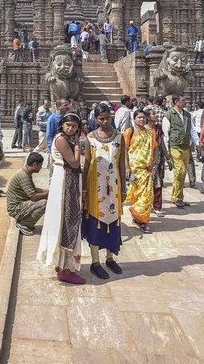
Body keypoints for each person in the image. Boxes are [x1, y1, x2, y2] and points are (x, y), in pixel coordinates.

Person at [37, 113, 85, 284]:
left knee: (66, 219)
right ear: (62, 125)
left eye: (74, 126)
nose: (71, 128)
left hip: (67, 181)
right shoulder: (62, 139)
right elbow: (74, 162)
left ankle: (63, 263)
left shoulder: (66, 138)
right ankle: (64, 269)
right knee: (66, 221)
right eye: (68, 125)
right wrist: (78, 144)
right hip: (64, 182)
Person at [82, 103, 126, 278]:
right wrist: (84, 188)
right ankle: (95, 262)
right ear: (95, 119)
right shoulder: (90, 138)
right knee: (95, 221)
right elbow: (86, 163)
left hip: (114, 187)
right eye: (101, 119)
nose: (105, 121)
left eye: (108, 118)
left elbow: (122, 163)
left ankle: (110, 257)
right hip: (95, 187)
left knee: (113, 220)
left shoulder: (119, 137)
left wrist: (123, 188)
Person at [124, 109, 159, 233]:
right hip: (134, 170)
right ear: (134, 119)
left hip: (146, 169)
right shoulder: (129, 132)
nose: (142, 119)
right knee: (137, 194)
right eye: (139, 117)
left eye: (143, 117)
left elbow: (155, 148)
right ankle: (137, 218)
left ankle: (142, 221)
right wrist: (127, 167)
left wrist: (153, 163)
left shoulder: (150, 133)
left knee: (146, 196)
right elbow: (125, 150)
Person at [162, 92, 199, 208]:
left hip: (185, 147)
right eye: (183, 100)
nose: (185, 102)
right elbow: (166, 134)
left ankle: (178, 197)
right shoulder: (168, 115)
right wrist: (167, 151)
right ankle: (177, 197)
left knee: (181, 174)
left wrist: (197, 144)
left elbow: (192, 130)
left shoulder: (188, 115)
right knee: (180, 171)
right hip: (175, 147)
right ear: (176, 102)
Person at [6, 152, 49, 236]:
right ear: (35, 164)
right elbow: (33, 197)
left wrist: (48, 191)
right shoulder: (24, 176)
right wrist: (48, 193)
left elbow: (34, 189)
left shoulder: (26, 172)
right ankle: (23, 223)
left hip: (20, 204)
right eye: (40, 165)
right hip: (15, 208)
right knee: (44, 203)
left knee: (45, 197)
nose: (41, 167)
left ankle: (27, 222)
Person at [145, 107, 171, 217]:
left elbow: (162, 144)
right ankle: (145, 206)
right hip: (145, 160)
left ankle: (157, 207)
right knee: (145, 185)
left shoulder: (158, 129)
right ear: (147, 117)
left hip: (157, 160)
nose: (155, 116)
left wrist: (168, 158)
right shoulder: (142, 129)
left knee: (158, 183)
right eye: (153, 114)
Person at [46, 98, 69, 178]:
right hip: (55, 149)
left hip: (65, 149)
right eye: (65, 105)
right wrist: (50, 150)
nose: (67, 107)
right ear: (59, 106)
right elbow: (49, 135)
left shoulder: (67, 118)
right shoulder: (52, 119)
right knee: (53, 172)